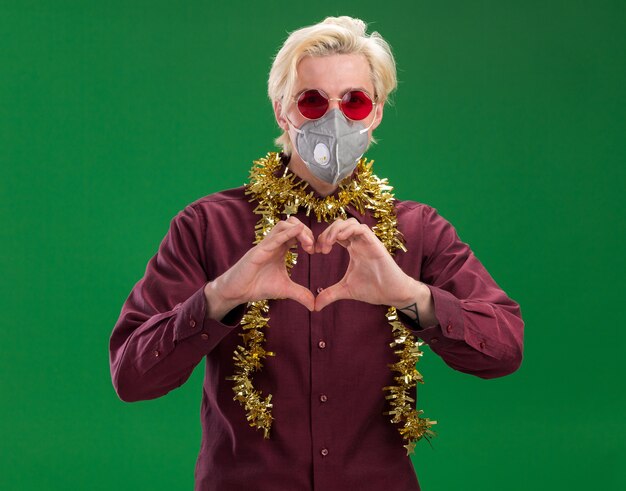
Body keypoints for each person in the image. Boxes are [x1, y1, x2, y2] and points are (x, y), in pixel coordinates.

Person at [109, 16, 524, 491]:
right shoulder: (208, 225)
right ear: (282, 111)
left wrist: (412, 297)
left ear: (377, 113)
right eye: (311, 101)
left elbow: (505, 349)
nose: (334, 118)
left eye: (354, 101)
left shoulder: (418, 229)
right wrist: (219, 297)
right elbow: (132, 377)